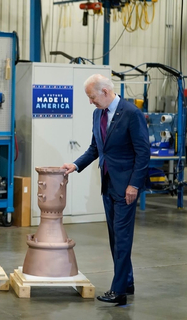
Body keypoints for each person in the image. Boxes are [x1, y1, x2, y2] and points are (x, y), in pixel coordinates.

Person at [61, 74, 150, 306]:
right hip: (108, 184)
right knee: (115, 237)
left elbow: (143, 153)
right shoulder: (98, 114)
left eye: (92, 97)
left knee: (122, 238)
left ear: (105, 92)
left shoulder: (132, 114)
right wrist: (76, 164)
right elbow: (95, 148)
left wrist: (134, 184)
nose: (90, 102)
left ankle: (118, 290)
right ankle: (127, 281)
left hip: (126, 187)